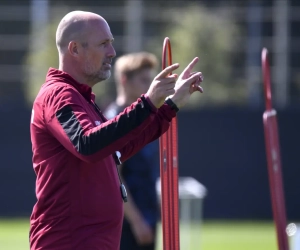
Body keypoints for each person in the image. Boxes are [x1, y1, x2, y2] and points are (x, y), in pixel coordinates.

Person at [29, 10, 204, 250]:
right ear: (75, 49)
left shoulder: (82, 98)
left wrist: (169, 106)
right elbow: (87, 144)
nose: (112, 52)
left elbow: (117, 151)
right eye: (103, 44)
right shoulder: (57, 95)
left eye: (111, 44)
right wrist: (148, 102)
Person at [104, 52, 160, 250]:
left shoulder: (146, 120)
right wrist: (136, 222)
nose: (149, 86)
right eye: (144, 80)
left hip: (149, 219)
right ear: (124, 80)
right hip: (124, 226)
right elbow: (114, 178)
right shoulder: (114, 120)